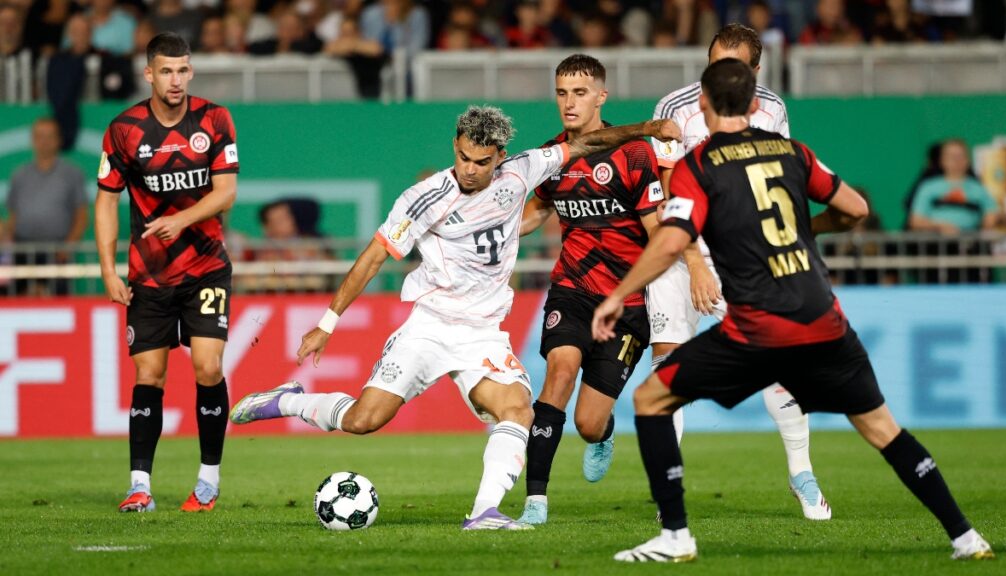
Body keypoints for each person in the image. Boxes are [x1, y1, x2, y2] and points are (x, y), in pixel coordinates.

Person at [593, 58, 994, 563]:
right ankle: (965, 537)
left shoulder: (699, 166)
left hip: (757, 328)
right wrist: (815, 229)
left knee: (651, 399)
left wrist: (616, 294)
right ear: (757, 104)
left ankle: (675, 536)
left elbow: (672, 241)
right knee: (882, 430)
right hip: (824, 319)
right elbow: (856, 209)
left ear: (703, 104)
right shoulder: (793, 152)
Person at [229, 105, 681, 530]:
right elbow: (372, 257)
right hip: (429, 326)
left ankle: (485, 510)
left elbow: (586, 143)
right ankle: (287, 400)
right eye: (463, 156)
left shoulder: (521, 172)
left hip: (483, 334)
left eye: (481, 162)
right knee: (364, 421)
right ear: (455, 146)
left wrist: (647, 128)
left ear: (499, 157)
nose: (469, 169)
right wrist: (328, 322)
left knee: (517, 409)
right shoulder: (424, 198)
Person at [648, 23, 831, 521]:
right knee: (669, 365)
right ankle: (671, 490)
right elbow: (667, 191)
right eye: (713, 64)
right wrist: (691, 261)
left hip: (744, 255)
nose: (718, 77)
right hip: (679, 253)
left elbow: (778, 178)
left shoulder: (773, 109)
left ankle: (801, 473)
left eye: (731, 67)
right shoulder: (674, 107)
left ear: (755, 70)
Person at [95, 32, 240, 513]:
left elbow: (225, 193)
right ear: (149, 74)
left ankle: (208, 481)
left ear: (190, 71)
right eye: (166, 71)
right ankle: (140, 486)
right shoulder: (124, 129)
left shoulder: (214, 118)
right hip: (149, 275)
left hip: (206, 268)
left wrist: (180, 220)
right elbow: (105, 201)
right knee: (150, 374)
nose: (175, 80)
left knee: (209, 366)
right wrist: (108, 269)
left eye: (182, 70)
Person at [515, 54, 662, 525]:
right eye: (561, 93)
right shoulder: (553, 154)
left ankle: (603, 433)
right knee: (558, 374)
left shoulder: (633, 154)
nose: (569, 103)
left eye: (579, 93)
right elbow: (538, 210)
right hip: (571, 290)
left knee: (587, 422)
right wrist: (494, 230)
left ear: (601, 96)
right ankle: (535, 500)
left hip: (626, 301)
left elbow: (659, 232)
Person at [5, 117, 87, 296]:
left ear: (58, 140)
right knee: (18, 302)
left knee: (59, 303)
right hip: (22, 250)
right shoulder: (19, 175)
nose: (44, 141)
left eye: (49, 136)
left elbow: (81, 216)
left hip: (57, 251)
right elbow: (13, 217)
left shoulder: (72, 173)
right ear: (33, 140)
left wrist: (68, 247)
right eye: (40, 136)